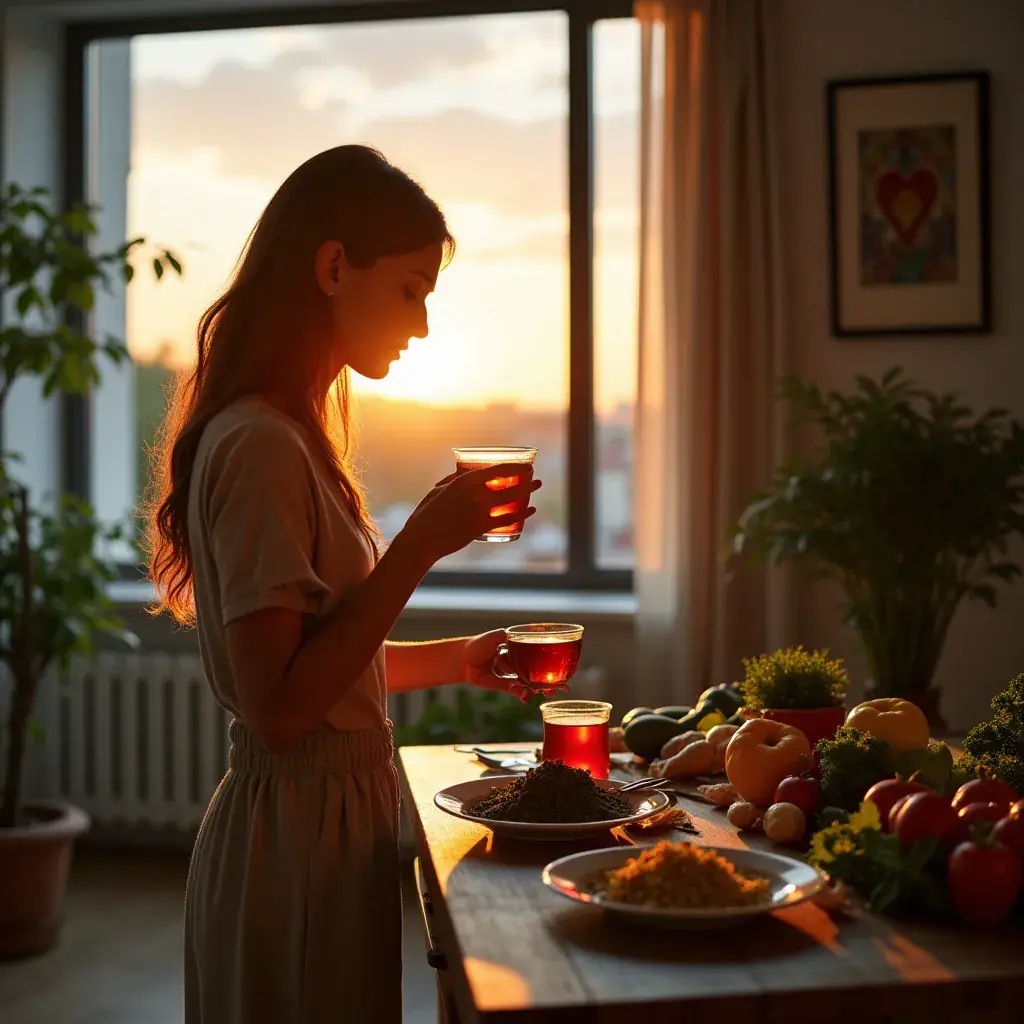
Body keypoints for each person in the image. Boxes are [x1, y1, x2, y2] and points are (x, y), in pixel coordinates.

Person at [144, 145, 543, 1024]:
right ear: (332, 267)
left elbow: (324, 669)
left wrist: (461, 660)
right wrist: (417, 549)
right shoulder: (259, 447)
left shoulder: (291, 437)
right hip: (292, 850)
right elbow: (282, 712)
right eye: (410, 290)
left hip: (327, 831)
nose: (423, 325)